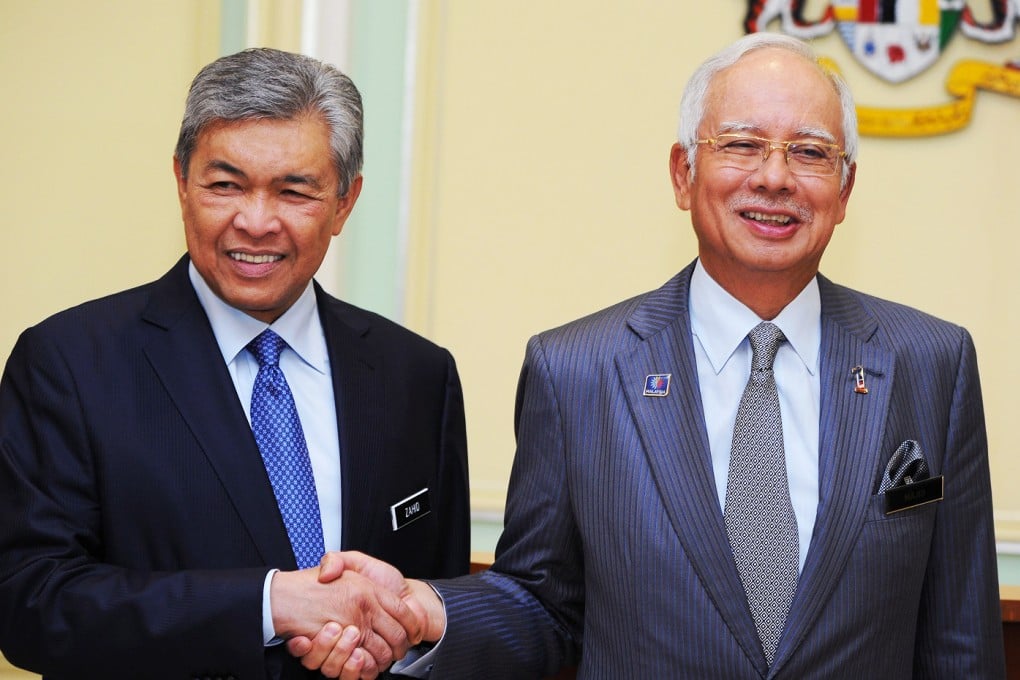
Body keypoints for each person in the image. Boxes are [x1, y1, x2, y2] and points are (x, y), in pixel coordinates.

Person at [299, 32, 1007, 679]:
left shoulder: (930, 363)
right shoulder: (576, 370)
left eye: (811, 152)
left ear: (845, 189)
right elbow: (543, 606)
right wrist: (432, 610)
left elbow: (960, 641)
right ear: (682, 173)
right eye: (740, 144)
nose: (774, 176)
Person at [0, 48, 470, 680]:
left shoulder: (418, 375)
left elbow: (437, 599)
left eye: (294, 190)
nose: (254, 222)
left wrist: (400, 640)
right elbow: (31, 605)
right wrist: (271, 604)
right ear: (180, 181)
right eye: (224, 185)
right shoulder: (69, 364)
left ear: (345, 202)